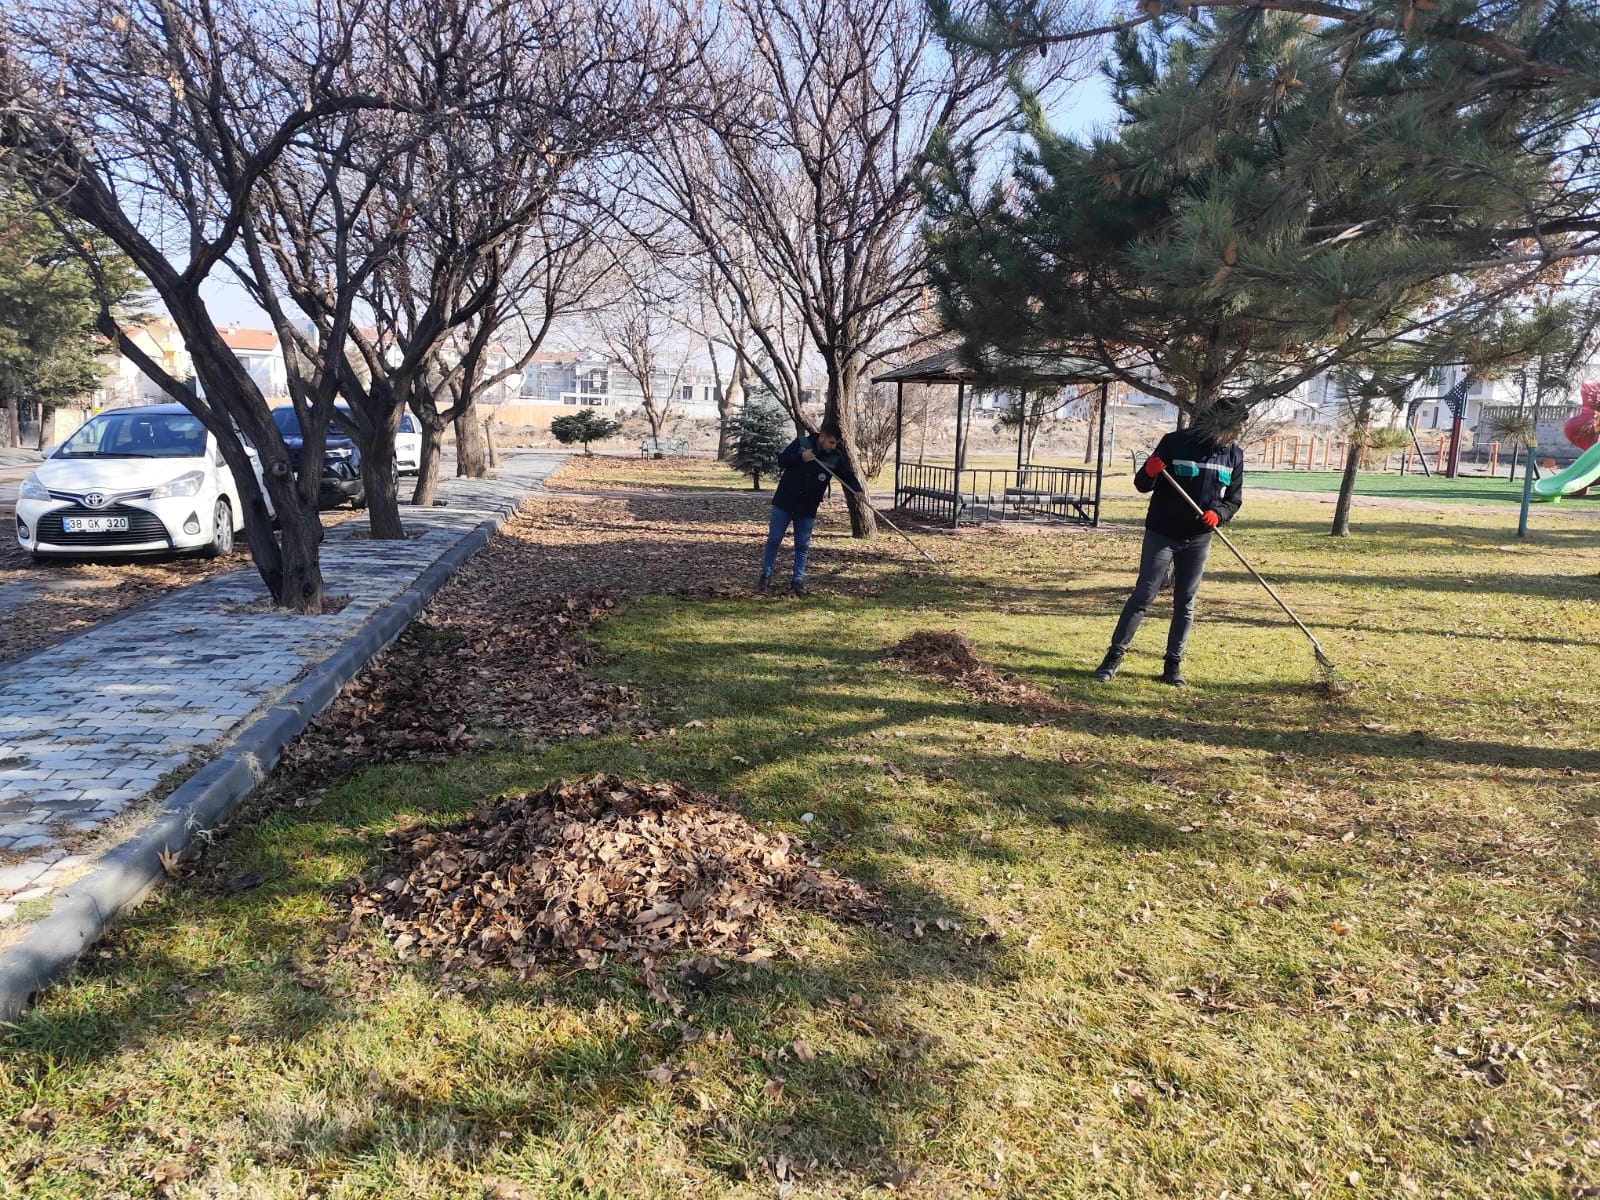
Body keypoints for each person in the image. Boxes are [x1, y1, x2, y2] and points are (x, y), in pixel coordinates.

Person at [1093, 412, 1245, 687]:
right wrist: (1150, 472)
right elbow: (1142, 484)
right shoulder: (1175, 442)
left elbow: (1234, 500)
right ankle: (1113, 658)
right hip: (1162, 532)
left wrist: (1218, 514)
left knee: (1185, 602)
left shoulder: (1233, 455)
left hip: (1198, 537)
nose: (1231, 437)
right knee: (1143, 595)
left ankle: (1172, 665)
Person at [760, 420, 862, 597]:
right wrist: (800, 458)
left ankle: (797, 580)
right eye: (831, 442)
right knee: (774, 539)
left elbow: (847, 475)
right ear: (822, 436)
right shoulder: (801, 444)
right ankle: (765, 575)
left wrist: (858, 490)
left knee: (802, 545)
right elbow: (782, 461)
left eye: (835, 443)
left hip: (807, 508)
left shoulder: (834, 457)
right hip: (785, 502)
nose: (832, 446)